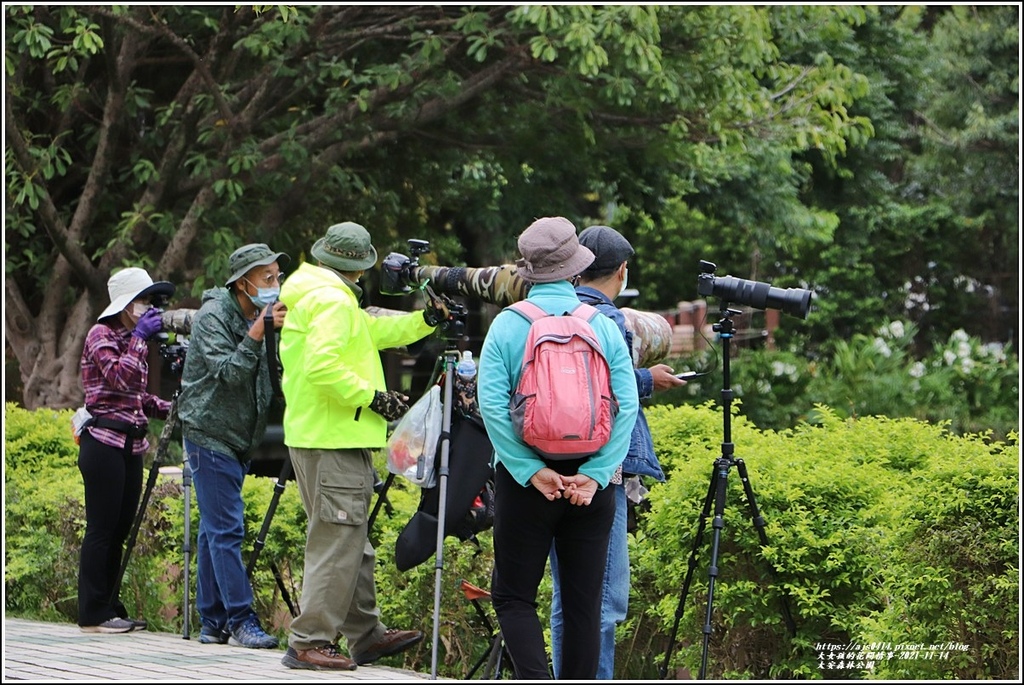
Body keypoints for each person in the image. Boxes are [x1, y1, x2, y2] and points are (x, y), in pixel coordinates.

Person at [277, 221, 447, 671]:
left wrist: (423, 321)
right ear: (363, 263)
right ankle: (309, 640)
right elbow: (323, 367)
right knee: (338, 540)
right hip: (334, 436)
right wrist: (372, 398)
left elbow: (370, 336)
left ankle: (365, 635)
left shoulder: (318, 291)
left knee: (351, 541)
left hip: (324, 434)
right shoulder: (333, 300)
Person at [477, 216, 640, 679]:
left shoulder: (509, 325)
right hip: (592, 485)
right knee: (584, 607)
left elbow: (491, 406)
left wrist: (531, 470)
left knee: (513, 597)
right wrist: (596, 472)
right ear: (575, 269)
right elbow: (625, 406)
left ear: (528, 271)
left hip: (527, 483)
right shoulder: (602, 325)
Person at [548, 225, 685, 678]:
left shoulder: (550, 312)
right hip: (600, 470)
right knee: (603, 596)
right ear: (621, 272)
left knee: (567, 595)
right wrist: (652, 379)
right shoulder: (608, 322)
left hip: (547, 467)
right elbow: (614, 396)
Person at [176, 243, 290, 649]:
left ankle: (212, 621)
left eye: (278, 276)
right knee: (227, 529)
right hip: (209, 433)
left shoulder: (255, 315)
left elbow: (273, 378)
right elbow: (228, 374)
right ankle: (241, 620)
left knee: (213, 529)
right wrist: (259, 331)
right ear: (243, 283)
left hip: (238, 437)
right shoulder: (212, 318)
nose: (276, 286)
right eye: (267, 278)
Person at [77, 267, 175, 633]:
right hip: (102, 443)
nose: (147, 307)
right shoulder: (99, 335)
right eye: (142, 300)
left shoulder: (135, 339)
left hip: (132, 443)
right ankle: (92, 613)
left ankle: (111, 607)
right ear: (125, 304)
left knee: (120, 529)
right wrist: (138, 338)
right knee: (101, 529)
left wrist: (172, 408)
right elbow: (119, 376)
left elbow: (134, 395)